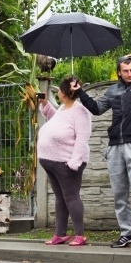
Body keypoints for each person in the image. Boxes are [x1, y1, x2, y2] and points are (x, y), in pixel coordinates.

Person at [71, 54, 131, 250]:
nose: (130, 74)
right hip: (114, 147)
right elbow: (96, 109)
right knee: (119, 193)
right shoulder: (113, 91)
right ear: (119, 72)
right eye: (126, 71)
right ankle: (127, 232)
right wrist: (80, 92)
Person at [37, 77, 92, 246]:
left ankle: (80, 234)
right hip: (51, 161)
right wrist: (46, 105)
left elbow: (82, 139)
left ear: (65, 93)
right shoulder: (63, 108)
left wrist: (74, 162)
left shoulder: (81, 111)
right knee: (60, 198)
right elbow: (56, 121)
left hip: (67, 163)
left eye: (60, 90)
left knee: (71, 197)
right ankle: (60, 234)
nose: (58, 92)